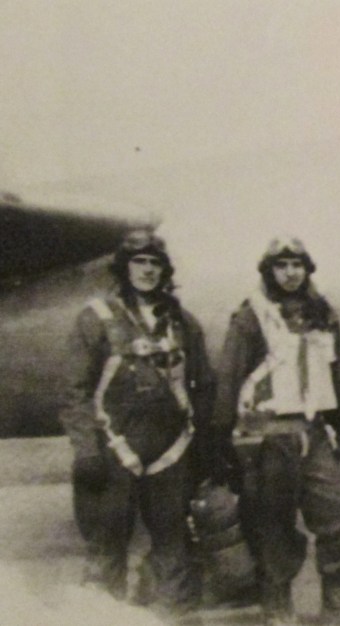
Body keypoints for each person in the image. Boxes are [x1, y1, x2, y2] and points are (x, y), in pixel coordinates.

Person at [58, 229, 216, 616]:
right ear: (124, 268)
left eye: (154, 263)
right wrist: (86, 449)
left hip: (170, 449)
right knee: (106, 544)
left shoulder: (181, 321)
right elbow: (74, 391)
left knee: (172, 542)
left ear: (165, 270)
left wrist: (208, 444)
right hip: (115, 448)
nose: (147, 270)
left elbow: (205, 383)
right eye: (139, 262)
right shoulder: (97, 318)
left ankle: (172, 616)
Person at [210, 236, 340, 626]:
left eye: (297, 265)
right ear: (269, 271)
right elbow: (229, 375)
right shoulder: (251, 316)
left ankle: (339, 601)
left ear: (307, 269)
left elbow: (337, 370)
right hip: (270, 433)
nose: (291, 273)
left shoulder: (322, 313)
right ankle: (277, 605)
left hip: (314, 430)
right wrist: (220, 434)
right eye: (282, 266)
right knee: (274, 522)